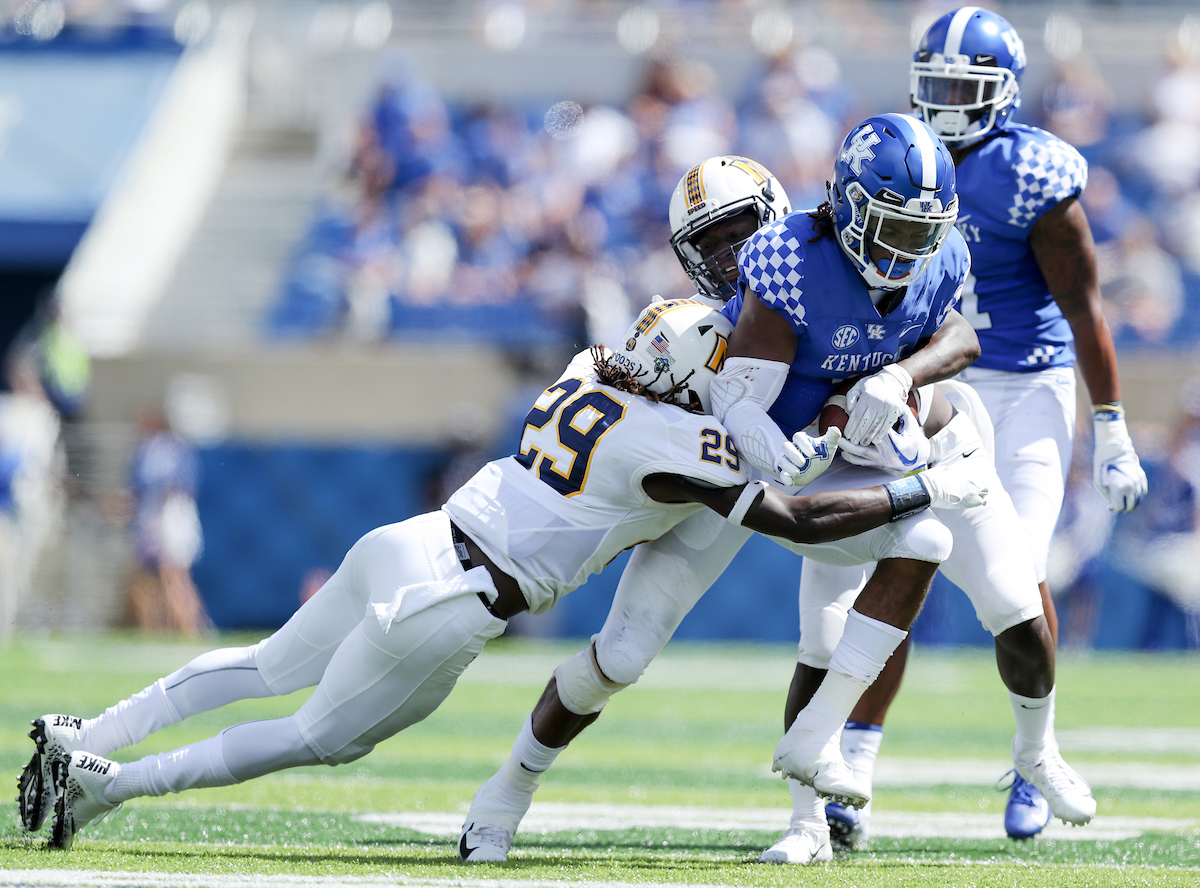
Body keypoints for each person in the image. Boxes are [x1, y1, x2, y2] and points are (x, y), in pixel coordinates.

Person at [16, 299, 987, 851]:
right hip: (456, 602)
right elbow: (796, 517)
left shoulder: (590, 366)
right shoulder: (675, 440)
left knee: (267, 664)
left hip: (412, 539)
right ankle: (111, 786)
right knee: (317, 737)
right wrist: (919, 490)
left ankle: (87, 732)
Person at [457, 119, 990, 863]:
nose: (728, 255)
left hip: (810, 463)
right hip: (703, 482)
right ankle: (504, 793)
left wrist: (906, 394)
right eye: (708, 245)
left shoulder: (874, 263)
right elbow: (638, 400)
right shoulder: (688, 322)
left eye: (738, 233)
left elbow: (939, 343)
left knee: (863, 596)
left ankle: (810, 819)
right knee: (622, 655)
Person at [790, 6, 1149, 854]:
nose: (948, 103)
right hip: (922, 382)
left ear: (1005, 93)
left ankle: (1034, 757)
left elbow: (1083, 303)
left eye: (966, 88)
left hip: (1020, 382)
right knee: (899, 564)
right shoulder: (889, 153)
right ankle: (858, 769)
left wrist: (1112, 424)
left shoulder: (1033, 171)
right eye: (937, 85)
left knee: (1017, 578)